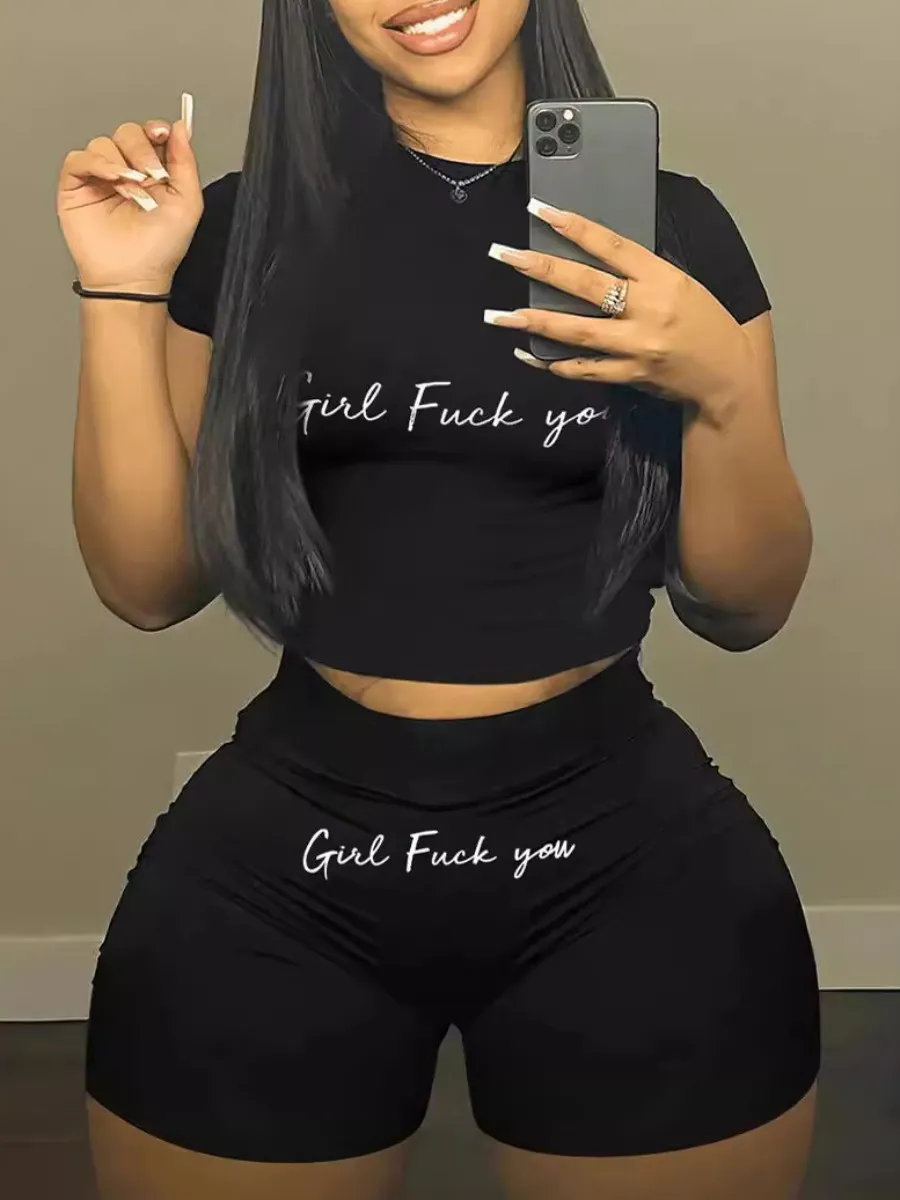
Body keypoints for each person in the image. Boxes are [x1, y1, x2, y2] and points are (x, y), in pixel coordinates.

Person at [57, 1, 821, 1197]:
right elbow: (148, 588)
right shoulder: (242, 232)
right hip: (289, 860)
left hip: (622, 854)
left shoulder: (671, 233)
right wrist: (121, 289)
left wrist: (722, 386)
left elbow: (747, 606)